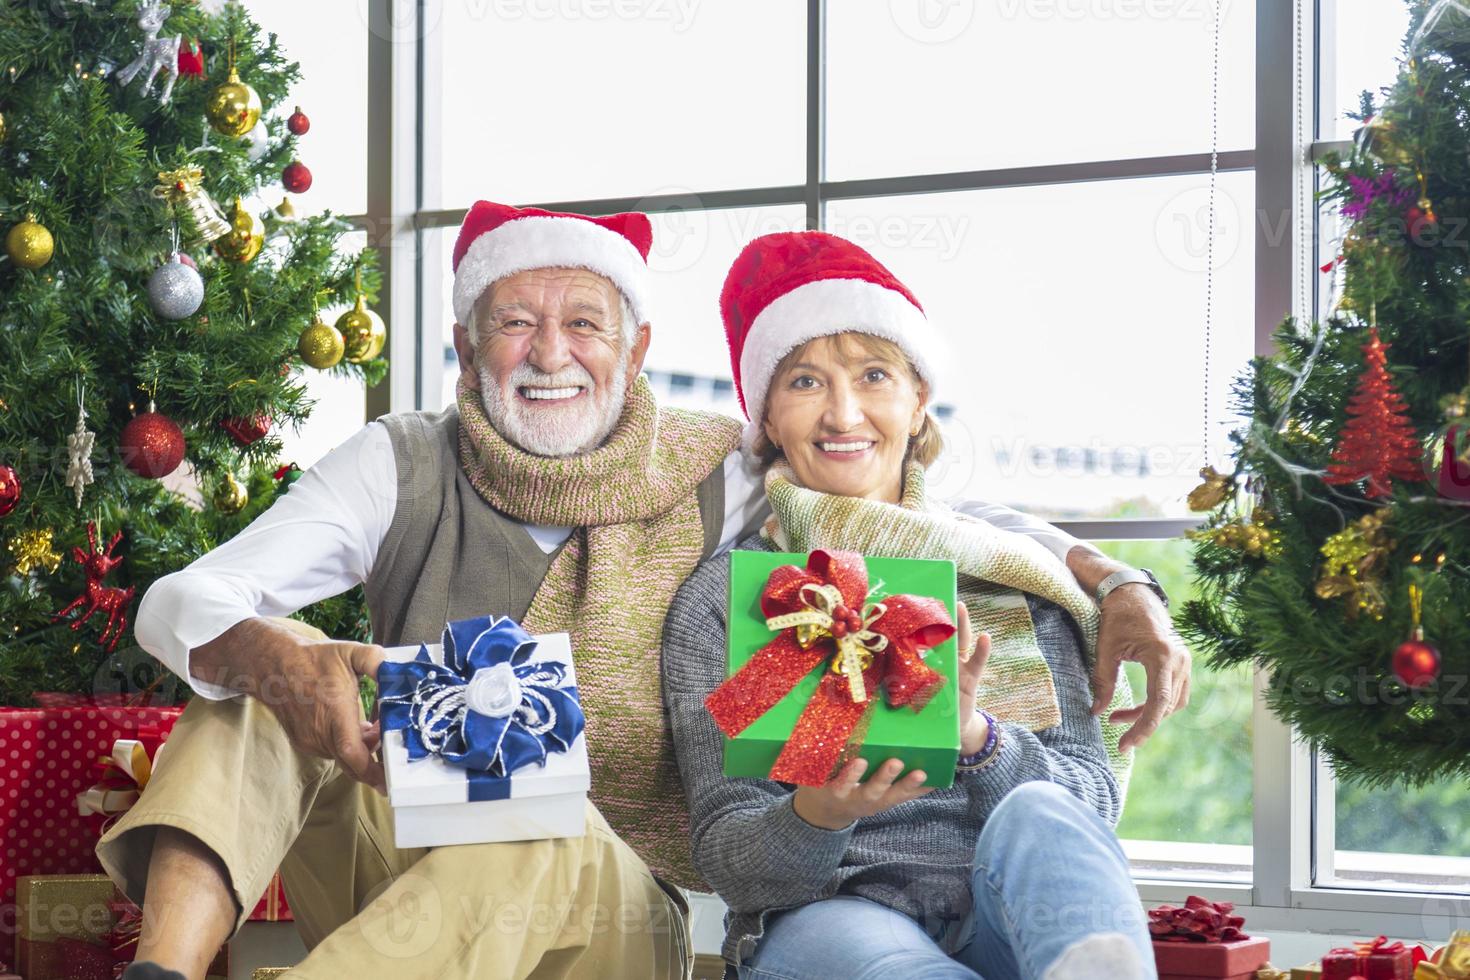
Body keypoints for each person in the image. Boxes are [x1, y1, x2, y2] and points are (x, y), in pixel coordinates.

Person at [103, 202, 1181, 979]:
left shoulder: (724, 469)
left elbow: (922, 517)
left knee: (532, 813)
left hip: (596, 891)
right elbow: (183, 598)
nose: (551, 352)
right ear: (467, 347)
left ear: (639, 349)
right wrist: (278, 659)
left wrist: (1117, 577)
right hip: (408, 836)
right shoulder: (401, 463)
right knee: (252, 660)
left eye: (585, 322)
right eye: (515, 322)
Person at [661, 231, 1161, 979]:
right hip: (831, 914)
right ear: (765, 418)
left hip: (1010, 916)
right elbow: (733, 858)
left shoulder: (1012, 579)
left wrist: (979, 739)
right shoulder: (741, 596)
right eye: (803, 383)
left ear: (918, 399)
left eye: (873, 376)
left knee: (1041, 811)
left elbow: (1087, 814)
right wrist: (817, 814)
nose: (841, 415)